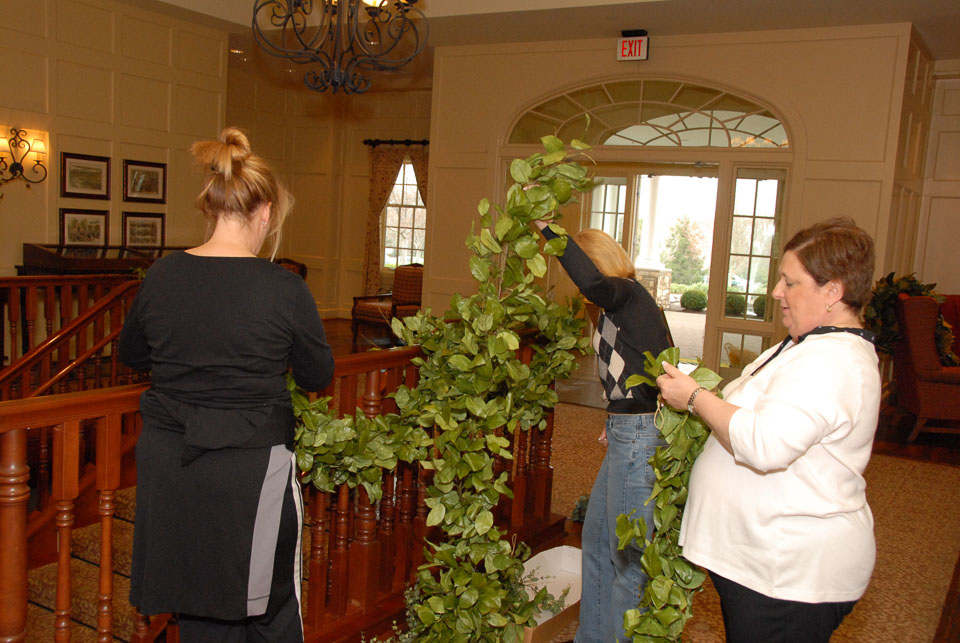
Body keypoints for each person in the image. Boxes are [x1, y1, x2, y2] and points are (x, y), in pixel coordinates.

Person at [119, 127, 334, 642]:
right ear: (265, 213)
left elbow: (132, 355)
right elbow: (317, 374)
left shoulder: (162, 275)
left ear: (212, 207)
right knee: (271, 607)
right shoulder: (283, 288)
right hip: (250, 469)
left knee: (199, 608)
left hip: (172, 463)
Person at [656, 217, 880, 642]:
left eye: (790, 282)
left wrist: (694, 398)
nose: (776, 292)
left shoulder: (831, 362)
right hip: (764, 565)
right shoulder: (806, 344)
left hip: (790, 572)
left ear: (833, 291)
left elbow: (765, 444)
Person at [534, 221, 671, 643]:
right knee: (596, 545)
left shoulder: (626, 294)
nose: (580, 288)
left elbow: (592, 283)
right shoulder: (617, 308)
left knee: (629, 565)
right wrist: (615, 418)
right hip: (626, 429)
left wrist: (547, 229)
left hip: (639, 434)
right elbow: (636, 367)